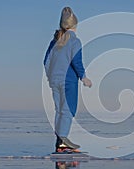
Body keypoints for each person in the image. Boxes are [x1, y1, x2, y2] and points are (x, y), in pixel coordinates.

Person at [44, 7, 92, 152]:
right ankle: (63, 140)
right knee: (68, 109)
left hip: (55, 81)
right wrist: (84, 77)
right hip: (68, 81)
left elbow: (46, 61)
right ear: (74, 26)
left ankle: (59, 141)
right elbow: (76, 61)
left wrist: (50, 77)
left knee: (59, 111)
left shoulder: (55, 41)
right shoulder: (74, 41)